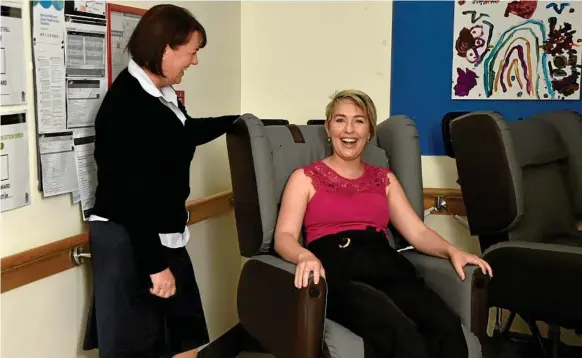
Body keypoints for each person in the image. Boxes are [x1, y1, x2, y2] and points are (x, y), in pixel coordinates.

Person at [274, 89, 493, 358]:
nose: (349, 129)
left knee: (445, 326)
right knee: (401, 335)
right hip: (336, 268)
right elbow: (284, 235)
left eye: (359, 120)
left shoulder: (384, 179)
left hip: (386, 263)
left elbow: (418, 231)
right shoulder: (305, 178)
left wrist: (452, 250)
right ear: (328, 127)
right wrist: (303, 256)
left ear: (370, 132)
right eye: (340, 120)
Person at [82, 5, 239, 358]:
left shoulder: (159, 96)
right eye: (192, 52)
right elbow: (129, 197)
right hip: (131, 240)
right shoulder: (127, 105)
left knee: (186, 340)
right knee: (140, 345)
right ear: (166, 48)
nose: (194, 62)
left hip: (160, 236)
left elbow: (183, 133)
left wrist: (239, 121)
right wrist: (155, 266)